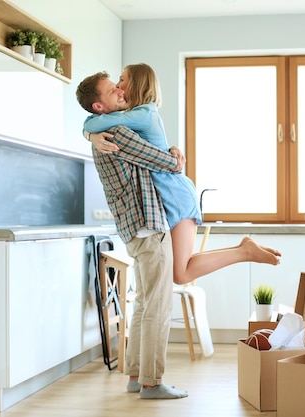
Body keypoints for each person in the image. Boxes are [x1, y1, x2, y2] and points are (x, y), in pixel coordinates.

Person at [83, 63, 281, 286]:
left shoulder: (143, 113)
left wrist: (88, 133)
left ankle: (244, 252)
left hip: (175, 194)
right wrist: (91, 135)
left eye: (122, 80)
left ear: (136, 84)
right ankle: (243, 250)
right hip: (171, 193)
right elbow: (99, 120)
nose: (119, 87)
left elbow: (98, 120)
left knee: (181, 273)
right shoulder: (139, 115)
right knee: (181, 271)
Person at [76, 72, 188, 400]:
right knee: (158, 305)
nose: (120, 91)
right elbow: (166, 163)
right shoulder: (118, 132)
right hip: (148, 226)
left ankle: (136, 375)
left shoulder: (106, 130)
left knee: (142, 303)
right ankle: (152, 382)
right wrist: (176, 155)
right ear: (99, 105)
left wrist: (87, 132)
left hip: (133, 230)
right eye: (113, 90)